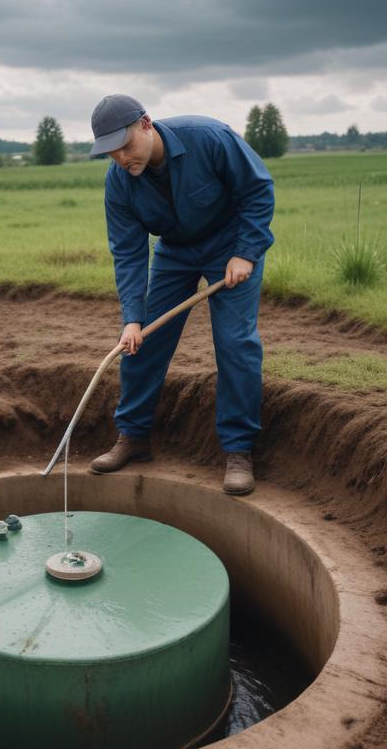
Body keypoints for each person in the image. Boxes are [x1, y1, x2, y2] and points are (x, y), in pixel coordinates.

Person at [88, 94, 274, 495]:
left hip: (231, 247)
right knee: (143, 342)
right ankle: (133, 437)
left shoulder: (209, 138)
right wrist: (132, 319)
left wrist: (246, 253)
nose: (121, 158)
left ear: (146, 125)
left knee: (235, 343)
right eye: (110, 153)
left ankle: (238, 451)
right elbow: (128, 252)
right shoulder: (119, 182)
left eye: (125, 146)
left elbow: (257, 191)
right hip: (174, 252)